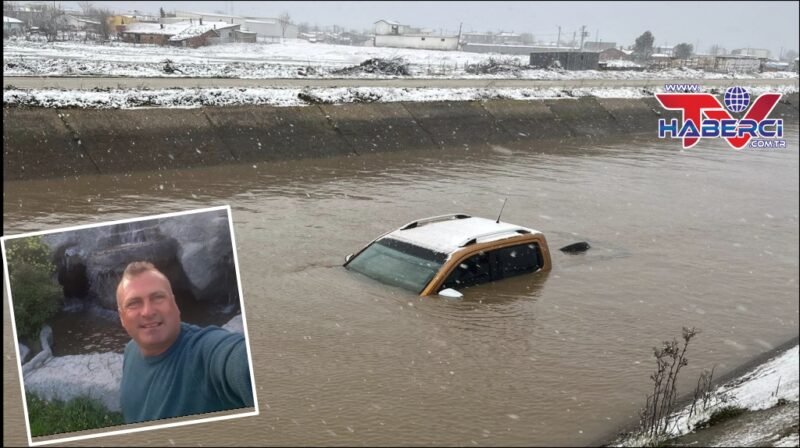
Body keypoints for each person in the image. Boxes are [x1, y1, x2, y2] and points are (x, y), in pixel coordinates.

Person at [116, 261, 254, 424]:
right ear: (122, 318)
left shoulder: (205, 352)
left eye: (158, 298)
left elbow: (242, 362)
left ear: (175, 305)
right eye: (134, 303)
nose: (148, 311)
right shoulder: (131, 350)